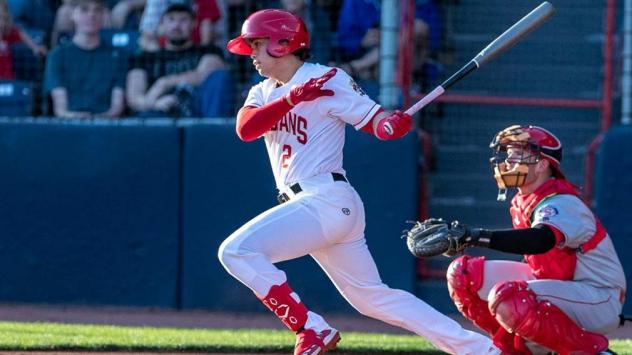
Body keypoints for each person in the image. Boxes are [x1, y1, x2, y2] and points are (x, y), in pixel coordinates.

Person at [217, 9, 501, 355]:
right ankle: (480, 350)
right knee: (374, 299)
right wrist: (293, 98)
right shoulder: (262, 91)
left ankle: (310, 328)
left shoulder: (326, 78)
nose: (253, 56)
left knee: (236, 251)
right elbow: (246, 130)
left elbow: (374, 121)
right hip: (309, 206)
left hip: (325, 198)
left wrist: (388, 124)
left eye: (258, 45)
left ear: (283, 43)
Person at [411, 125, 625, 354]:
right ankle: (517, 350)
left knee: (509, 296)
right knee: (463, 274)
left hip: (598, 297)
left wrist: (474, 236)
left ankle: (594, 352)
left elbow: (540, 240)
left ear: (543, 164)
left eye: (518, 155)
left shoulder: (561, 201)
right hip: (560, 286)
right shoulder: (523, 201)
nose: (508, 161)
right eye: (508, 155)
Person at [126, 0, 231, 118]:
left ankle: (212, 130)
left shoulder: (208, 50)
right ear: (161, 24)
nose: (176, 25)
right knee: (147, 117)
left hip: (198, 112)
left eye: (183, 20)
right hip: (160, 114)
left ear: (193, 23)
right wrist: (154, 104)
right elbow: (134, 97)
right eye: (171, 19)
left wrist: (164, 83)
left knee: (220, 76)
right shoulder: (145, 58)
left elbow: (206, 74)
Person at [44, 0, 126, 118]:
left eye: (97, 10)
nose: (91, 15)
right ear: (72, 14)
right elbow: (61, 109)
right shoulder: (57, 56)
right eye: (84, 9)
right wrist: (77, 117)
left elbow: (116, 107)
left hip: (107, 126)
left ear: (104, 15)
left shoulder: (117, 56)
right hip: (69, 126)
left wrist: (99, 119)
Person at [0, 0, 47, 80]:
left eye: (3, 17)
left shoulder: (8, 33)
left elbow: (20, 33)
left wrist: (34, 47)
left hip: (7, 80)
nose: (2, 22)